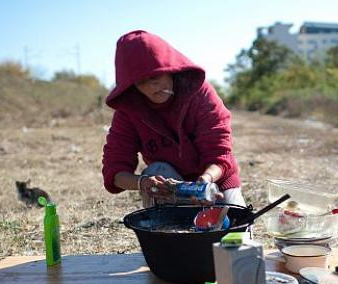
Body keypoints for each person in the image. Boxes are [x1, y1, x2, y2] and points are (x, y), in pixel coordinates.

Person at [102, 30, 245, 208]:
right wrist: (143, 182)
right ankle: (166, 228)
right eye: (141, 82)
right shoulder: (129, 110)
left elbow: (219, 155)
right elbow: (114, 170)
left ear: (170, 69)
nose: (151, 86)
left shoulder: (201, 95)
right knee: (156, 170)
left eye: (156, 76)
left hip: (214, 181)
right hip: (168, 190)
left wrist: (204, 181)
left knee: (236, 227)